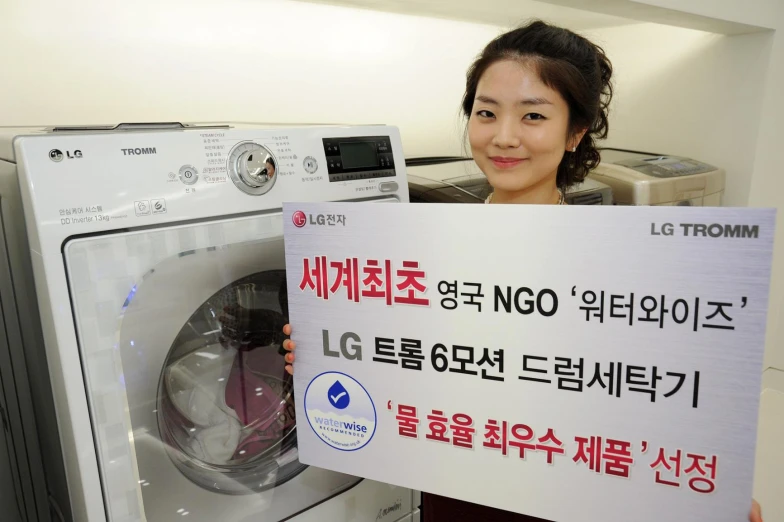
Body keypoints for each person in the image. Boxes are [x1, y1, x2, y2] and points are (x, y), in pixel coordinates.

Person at [280, 19, 764, 522]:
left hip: (570, 494)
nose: (503, 137)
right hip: (459, 490)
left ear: (575, 132)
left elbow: (656, 389)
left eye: (533, 116)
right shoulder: (417, 256)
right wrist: (331, 354)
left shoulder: (620, 271)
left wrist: (716, 485)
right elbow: (406, 370)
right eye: (486, 113)